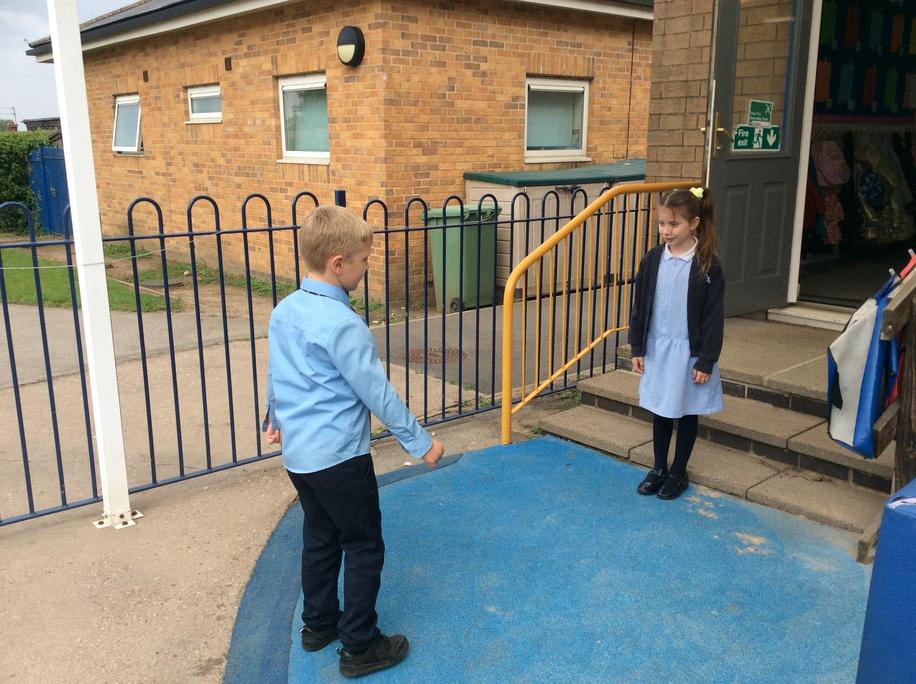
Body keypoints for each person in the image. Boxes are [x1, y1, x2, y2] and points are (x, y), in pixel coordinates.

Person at [262, 205, 444, 679]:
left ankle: (319, 624)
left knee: (321, 535)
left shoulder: (285, 310)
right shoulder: (343, 324)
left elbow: (278, 371)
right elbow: (375, 392)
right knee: (363, 544)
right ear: (338, 263)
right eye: (364, 260)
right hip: (339, 459)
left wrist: (274, 417)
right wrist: (420, 442)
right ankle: (360, 645)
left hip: (300, 459)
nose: (367, 267)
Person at [628, 186, 724, 500]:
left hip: (689, 353)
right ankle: (658, 468)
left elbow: (714, 317)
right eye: (662, 224)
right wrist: (637, 347)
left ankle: (678, 471)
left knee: (685, 411)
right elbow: (640, 305)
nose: (666, 231)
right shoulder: (653, 259)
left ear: (694, 223)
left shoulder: (707, 265)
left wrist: (706, 359)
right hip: (658, 348)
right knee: (661, 409)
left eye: (674, 224)